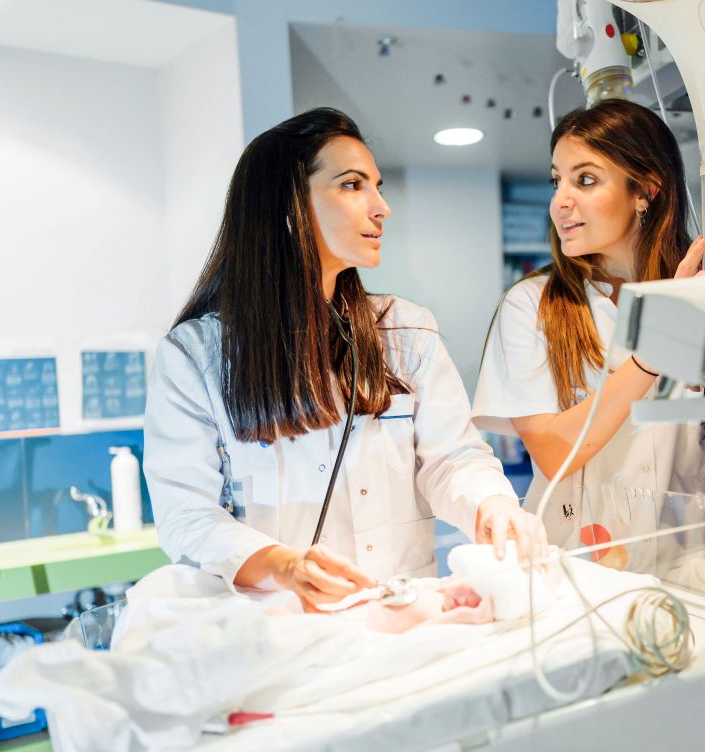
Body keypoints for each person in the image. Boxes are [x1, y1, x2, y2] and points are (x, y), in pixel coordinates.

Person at [144, 107, 546, 612]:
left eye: (377, 186)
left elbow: (454, 459)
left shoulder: (406, 331)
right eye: (353, 185)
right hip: (283, 629)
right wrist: (283, 566)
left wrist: (493, 505)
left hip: (402, 617)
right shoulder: (196, 357)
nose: (382, 207)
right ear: (287, 206)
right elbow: (186, 513)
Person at [473, 99, 705, 571]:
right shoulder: (533, 304)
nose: (561, 200)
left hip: (693, 563)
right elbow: (554, 449)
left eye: (584, 179)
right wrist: (652, 351)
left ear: (644, 190)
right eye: (556, 180)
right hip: (571, 568)